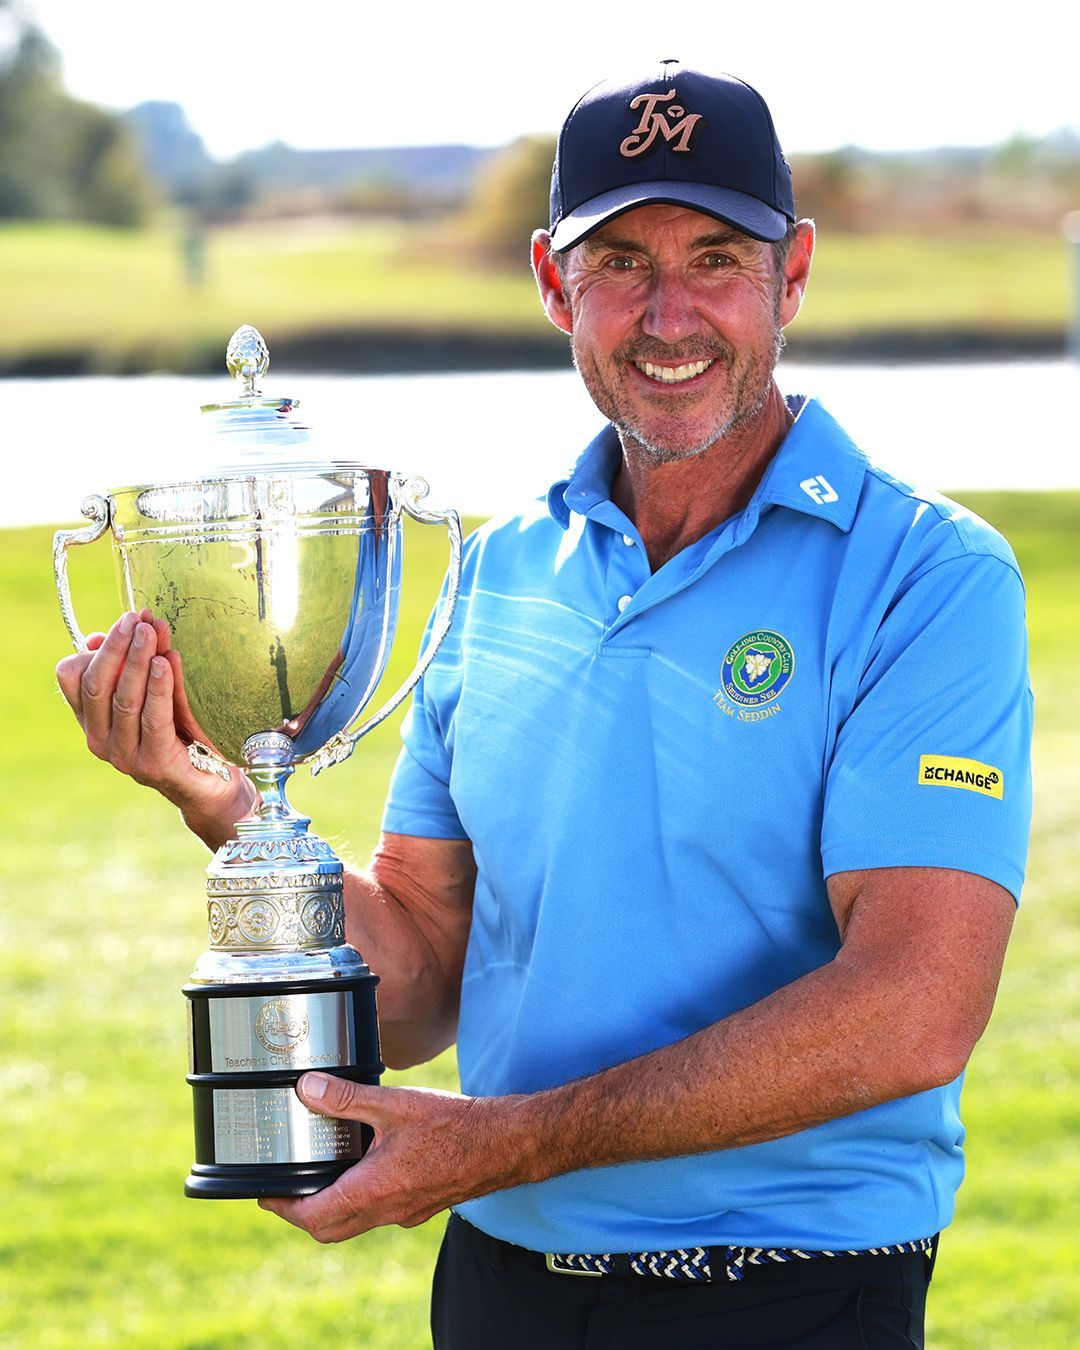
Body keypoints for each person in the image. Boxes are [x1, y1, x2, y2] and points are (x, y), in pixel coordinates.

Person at [57, 62, 1032, 1349]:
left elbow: (913, 1008)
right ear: (552, 282)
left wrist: (506, 1142)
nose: (668, 315)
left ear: (792, 275)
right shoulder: (496, 569)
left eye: (717, 260)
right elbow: (417, 982)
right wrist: (227, 801)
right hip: (503, 1287)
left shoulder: (927, 574)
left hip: (789, 1289)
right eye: (620, 262)